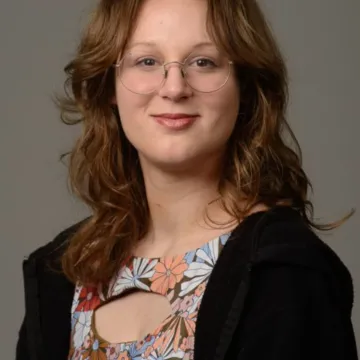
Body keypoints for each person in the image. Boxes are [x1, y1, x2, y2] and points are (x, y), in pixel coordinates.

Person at [16, 0, 358, 359]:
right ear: (109, 87)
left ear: (245, 87)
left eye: (203, 62)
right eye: (146, 61)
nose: (174, 88)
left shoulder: (285, 273)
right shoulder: (64, 270)